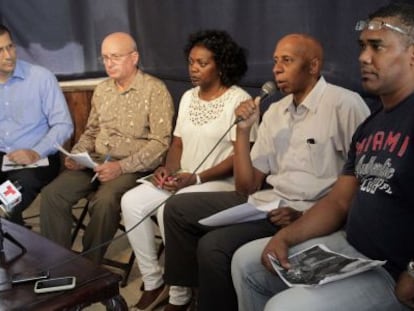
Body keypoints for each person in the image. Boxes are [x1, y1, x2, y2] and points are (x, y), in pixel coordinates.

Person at [163, 33, 370, 311]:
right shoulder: (275, 111)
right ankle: (190, 295)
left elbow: (363, 183)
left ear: (313, 66)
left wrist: (307, 215)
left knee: (213, 247)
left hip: (306, 213)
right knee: (176, 207)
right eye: (275, 61)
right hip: (267, 203)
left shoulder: (345, 104)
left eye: (287, 60)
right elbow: (246, 187)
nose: (276, 69)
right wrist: (243, 129)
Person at [231, 3, 414, 311]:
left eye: (377, 47)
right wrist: (287, 237)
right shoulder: (371, 125)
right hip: (351, 249)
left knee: (285, 307)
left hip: (392, 270)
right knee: (246, 263)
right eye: (362, 47)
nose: (363, 57)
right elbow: (340, 201)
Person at [121, 29, 254, 311]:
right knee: (130, 201)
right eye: (191, 62)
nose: (194, 69)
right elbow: (178, 144)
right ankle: (154, 281)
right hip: (183, 177)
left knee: (167, 209)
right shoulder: (188, 97)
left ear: (221, 65)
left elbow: (238, 157)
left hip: (218, 183)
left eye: (202, 63)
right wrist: (167, 170)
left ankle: (180, 296)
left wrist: (195, 177)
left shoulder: (238, 100)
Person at [39, 32, 174, 264]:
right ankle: (56, 263)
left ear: (134, 57)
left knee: (104, 200)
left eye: (115, 57)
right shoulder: (102, 90)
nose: (109, 63)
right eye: (105, 58)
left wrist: (120, 167)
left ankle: (88, 265)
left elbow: (160, 144)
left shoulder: (155, 90)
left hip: (132, 167)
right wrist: (77, 154)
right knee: (53, 194)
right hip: (96, 160)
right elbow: (91, 131)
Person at [0, 24, 73, 225]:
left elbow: (63, 124)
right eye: (0, 50)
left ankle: (12, 248)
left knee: (5, 202)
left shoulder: (41, 78)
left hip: (38, 159)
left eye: (10, 47)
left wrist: (35, 152)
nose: (8, 55)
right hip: (2, 155)